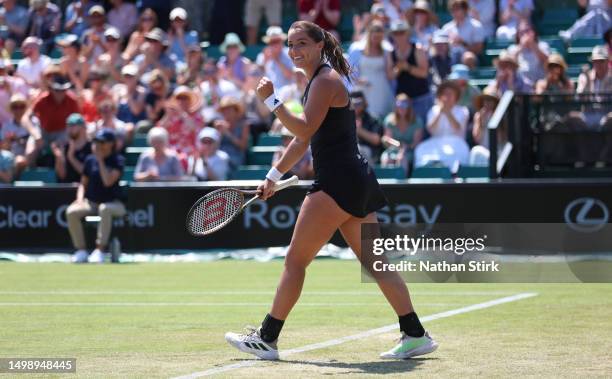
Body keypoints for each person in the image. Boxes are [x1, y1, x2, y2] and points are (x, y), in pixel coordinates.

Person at [225, 20, 437, 361]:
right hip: (355, 179)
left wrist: (272, 101)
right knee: (377, 263)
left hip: (337, 183)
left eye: (301, 44)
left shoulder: (324, 81)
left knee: (295, 261)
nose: (295, 51)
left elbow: (304, 130)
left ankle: (267, 337)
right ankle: (414, 333)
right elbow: (300, 141)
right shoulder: (318, 81)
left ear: (319, 45)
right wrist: (272, 175)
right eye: (291, 45)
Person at [65, 128, 126, 264]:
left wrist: (100, 161)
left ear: (111, 144)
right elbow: (83, 184)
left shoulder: (118, 160)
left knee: (104, 208)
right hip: (91, 203)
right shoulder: (90, 160)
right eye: (97, 142)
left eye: (103, 142)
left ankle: (99, 250)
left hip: (114, 203)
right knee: (71, 212)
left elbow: (107, 181)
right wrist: (80, 199)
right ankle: (81, 251)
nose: (99, 145)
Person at [348, 21, 395, 119]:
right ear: (369, 35)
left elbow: (390, 73)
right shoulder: (357, 49)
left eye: (379, 37)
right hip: (364, 89)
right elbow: (350, 72)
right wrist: (358, 80)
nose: (377, 40)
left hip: (382, 88)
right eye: (375, 37)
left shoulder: (386, 51)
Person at [389, 19, 432, 124]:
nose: (399, 36)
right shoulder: (391, 53)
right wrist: (398, 69)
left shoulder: (418, 49)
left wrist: (407, 67)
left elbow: (424, 73)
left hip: (420, 98)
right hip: (402, 102)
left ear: (407, 33)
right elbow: (390, 75)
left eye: (401, 32)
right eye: (396, 33)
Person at [157, 85, 204, 162]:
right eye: (179, 98)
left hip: (190, 153)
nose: (181, 101)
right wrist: (168, 115)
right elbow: (159, 131)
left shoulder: (197, 117)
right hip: (171, 152)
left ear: (190, 100)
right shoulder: (171, 116)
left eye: (185, 98)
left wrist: (182, 113)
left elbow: (193, 128)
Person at [31, 75, 81, 147]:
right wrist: (34, 133)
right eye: (57, 90)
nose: (60, 93)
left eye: (63, 90)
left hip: (62, 133)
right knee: (31, 151)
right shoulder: (43, 99)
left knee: (59, 148)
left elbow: (79, 120)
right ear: (51, 89)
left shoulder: (72, 100)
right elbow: (26, 117)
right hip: (43, 132)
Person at [0, 94, 42, 175]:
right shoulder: (7, 125)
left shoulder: (33, 122)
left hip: (33, 158)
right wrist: (8, 141)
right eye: (15, 107)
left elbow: (38, 142)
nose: (18, 110)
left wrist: (18, 140)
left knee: (20, 159)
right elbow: (4, 147)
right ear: (11, 109)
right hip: (11, 158)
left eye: (21, 106)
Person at [382, 93, 425, 170]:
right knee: (386, 158)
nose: (401, 108)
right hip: (393, 150)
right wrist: (398, 145)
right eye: (399, 105)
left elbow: (416, 142)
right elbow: (386, 138)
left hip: (410, 151)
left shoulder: (417, 121)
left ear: (409, 107)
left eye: (404, 105)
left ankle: (401, 181)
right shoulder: (389, 120)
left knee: (402, 159)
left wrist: (405, 148)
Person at [52, 113, 92, 183]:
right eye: (68, 125)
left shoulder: (91, 147)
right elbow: (62, 175)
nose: (69, 128)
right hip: (67, 190)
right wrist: (58, 157)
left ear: (83, 127)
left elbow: (87, 173)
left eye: (73, 125)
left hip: (85, 190)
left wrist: (71, 157)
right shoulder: (65, 147)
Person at [441, 0, 485, 64]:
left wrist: (462, 43)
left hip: (469, 59)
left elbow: (478, 50)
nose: (454, 12)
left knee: (468, 57)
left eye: (457, 9)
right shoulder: (446, 28)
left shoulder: (476, 26)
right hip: (450, 57)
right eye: (452, 10)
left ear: (465, 10)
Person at [215, 96, 250, 171]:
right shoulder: (220, 125)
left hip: (236, 157)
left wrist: (227, 133)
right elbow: (214, 147)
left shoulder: (244, 125)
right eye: (224, 110)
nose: (226, 112)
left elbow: (243, 146)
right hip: (220, 157)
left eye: (229, 109)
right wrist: (219, 134)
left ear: (236, 111)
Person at [350, 91, 384, 163]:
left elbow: (376, 140)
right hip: (349, 151)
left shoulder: (373, 118)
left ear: (364, 103)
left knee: (359, 150)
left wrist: (358, 130)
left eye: (358, 103)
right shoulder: (345, 119)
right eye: (353, 103)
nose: (356, 106)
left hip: (370, 154)